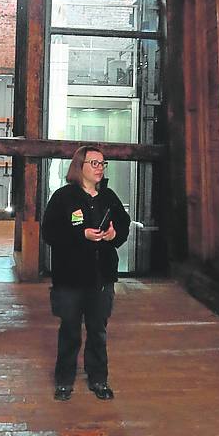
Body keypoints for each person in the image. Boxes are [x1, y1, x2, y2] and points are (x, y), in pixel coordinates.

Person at [41, 145, 130, 401]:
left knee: (98, 331)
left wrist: (113, 235)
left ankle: (98, 379)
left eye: (103, 164)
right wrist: (82, 235)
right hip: (70, 278)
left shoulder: (109, 197)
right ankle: (64, 381)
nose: (100, 168)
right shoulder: (63, 197)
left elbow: (122, 226)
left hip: (101, 277)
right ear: (79, 166)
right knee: (69, 330)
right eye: (94, 163)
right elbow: (50, 232)